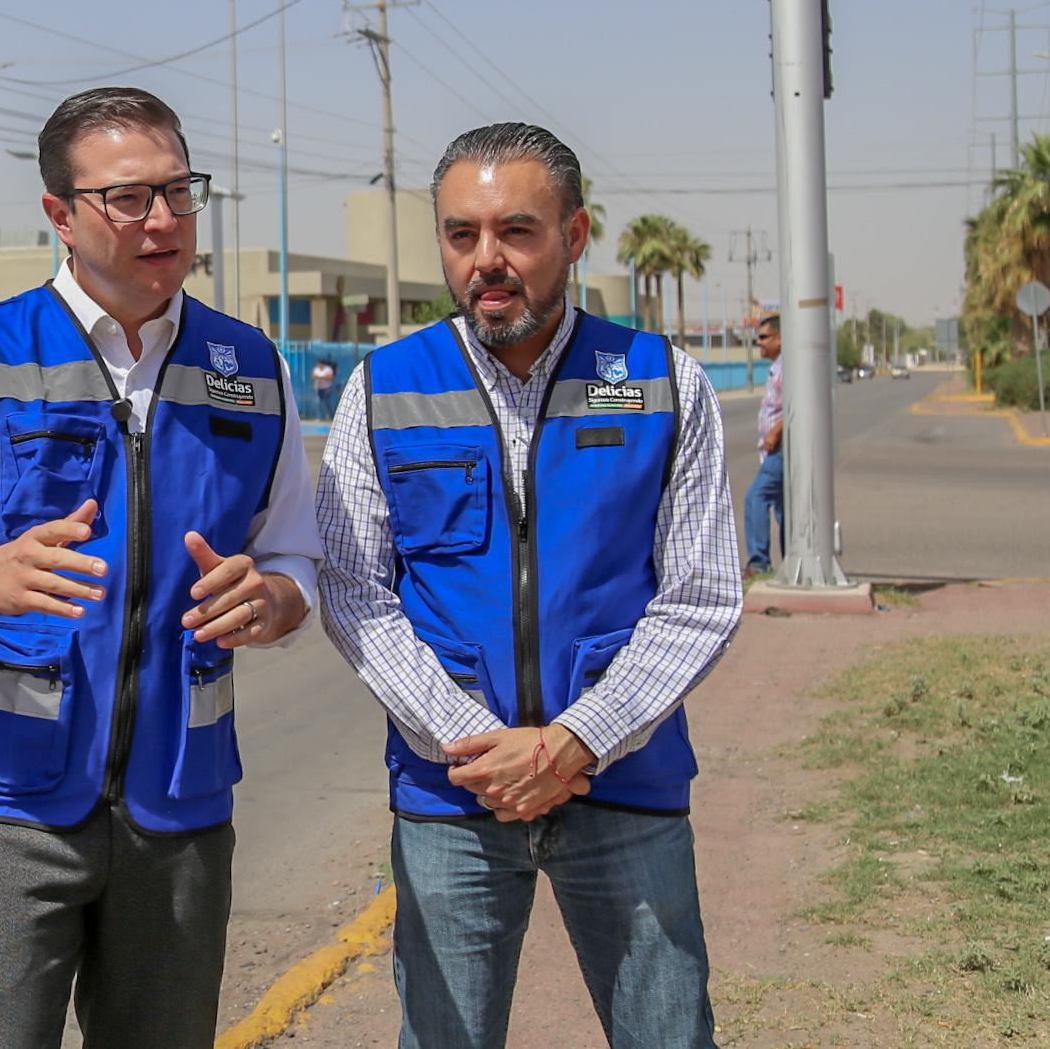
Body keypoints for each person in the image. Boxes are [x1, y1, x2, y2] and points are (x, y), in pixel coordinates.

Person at [0, 87, 325, 1049]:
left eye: (180, 193)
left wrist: (271, 598)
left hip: (179, 811)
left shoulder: (252, 367)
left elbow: (298, 553)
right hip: (6, 813)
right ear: (60, 214)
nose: (165, 221)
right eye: (129, 200)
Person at [314, 122, 742, 1049]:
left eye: (517, 232)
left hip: (623, 786)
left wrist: (576, 742)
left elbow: (700, 596)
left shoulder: (663, 382)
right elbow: (355, 591)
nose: (487, 262)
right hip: (454, 799)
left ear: (576, 236)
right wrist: (477, 745)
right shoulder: (383, 388)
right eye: (461, 235)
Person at [744, 314, 785, 576]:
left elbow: (797, 403)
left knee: (756, 497)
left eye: (764, 337)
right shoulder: (778, 367)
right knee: (784, 508)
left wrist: (776, 433)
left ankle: (759, 563)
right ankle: (792, 562)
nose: (758, 342)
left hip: (782, 449)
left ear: (780, 338)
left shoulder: (787, 367)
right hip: (777, 448)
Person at [312, 355, 340, 420]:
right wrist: (319, 377)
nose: (318, 365)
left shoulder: (328, 369)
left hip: (327, 388)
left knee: (327, 402)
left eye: (319, 363)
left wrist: (321, 377)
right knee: (318, 402)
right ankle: (318, 417)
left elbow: (331, 377)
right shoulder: (316, 369)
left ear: (322, 363)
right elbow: (313, 376)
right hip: (318, 388)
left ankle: (330, 416)